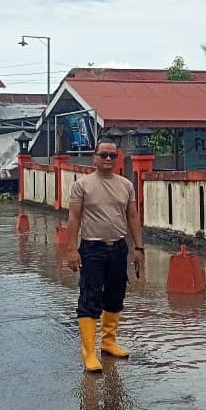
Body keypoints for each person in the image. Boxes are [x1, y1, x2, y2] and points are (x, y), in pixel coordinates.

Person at [64, 138, 145, 372]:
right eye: (103, 155)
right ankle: (88, 351)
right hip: (92, 248)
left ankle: (109, 342)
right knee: (90, 298)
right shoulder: (83, 185)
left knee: (115, 295)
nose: (108, 159)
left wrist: (138, 247)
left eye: (112, 155)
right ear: (95, 157)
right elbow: (74, 218)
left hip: (118, 247)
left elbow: (132, 216)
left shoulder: (126, 185)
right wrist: (71, 250)